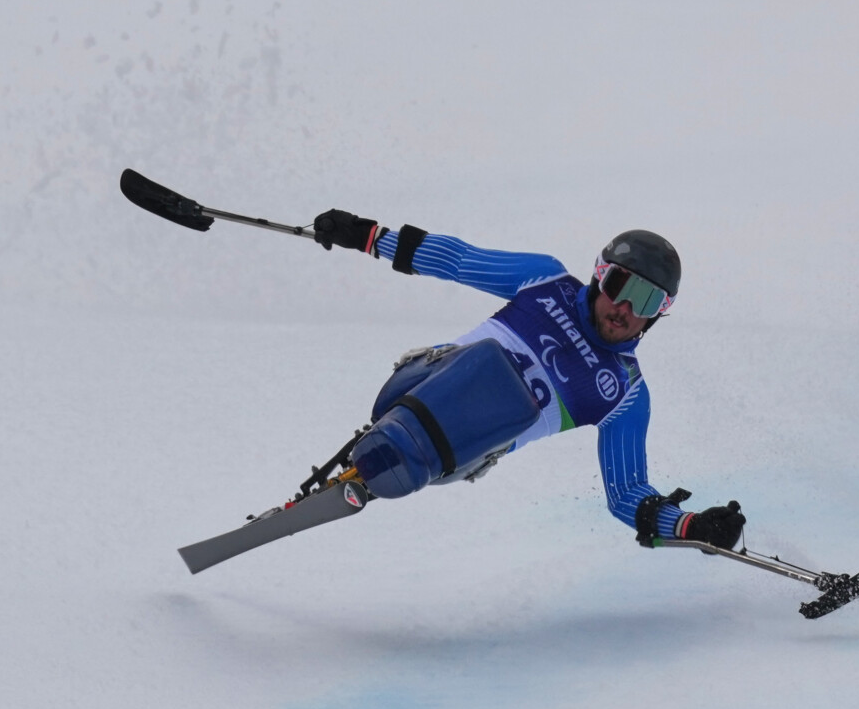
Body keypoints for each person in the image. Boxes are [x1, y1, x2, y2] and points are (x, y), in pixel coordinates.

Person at [306, 204, 748, 551]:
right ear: (598, 276)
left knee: (508, 395)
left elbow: (627, 491)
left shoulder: (626, 393)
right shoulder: (544, 280)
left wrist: (688, 526)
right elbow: (460, 260)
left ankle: (394, 457)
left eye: (646, 300)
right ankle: (386, 448)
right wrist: (368, 237)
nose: (625, 309)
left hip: (462, 448)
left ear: (659, 315)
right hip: (419, 387)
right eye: (619, 286)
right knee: (486, 363)